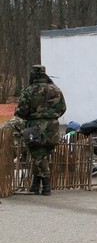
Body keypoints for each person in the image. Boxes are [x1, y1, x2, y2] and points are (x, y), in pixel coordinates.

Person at [14, 65, 67, 196]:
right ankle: (35, 185)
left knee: (38, 156)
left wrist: (32, 116)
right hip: (53, 128)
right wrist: (51, 116)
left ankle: (46, 186)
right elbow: (62, 108)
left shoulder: (28, 91)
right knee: (42, 156)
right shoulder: (56, 89)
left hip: (34, 127)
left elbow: (21, 111)